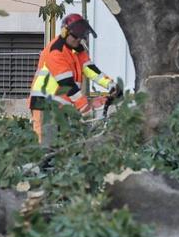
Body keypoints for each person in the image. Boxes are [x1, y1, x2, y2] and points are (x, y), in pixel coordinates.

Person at [28, 13, 119, 144]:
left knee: (63, 149)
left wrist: (112, 85)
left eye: (81, 37)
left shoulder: (77, 51)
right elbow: (67, 84)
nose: (78, 40)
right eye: (75, 36)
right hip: (45, 106)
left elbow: (91, 70)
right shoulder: (56, 51)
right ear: (65, 32)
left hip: (62, 106)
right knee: (47, 148)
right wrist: (84, 107)